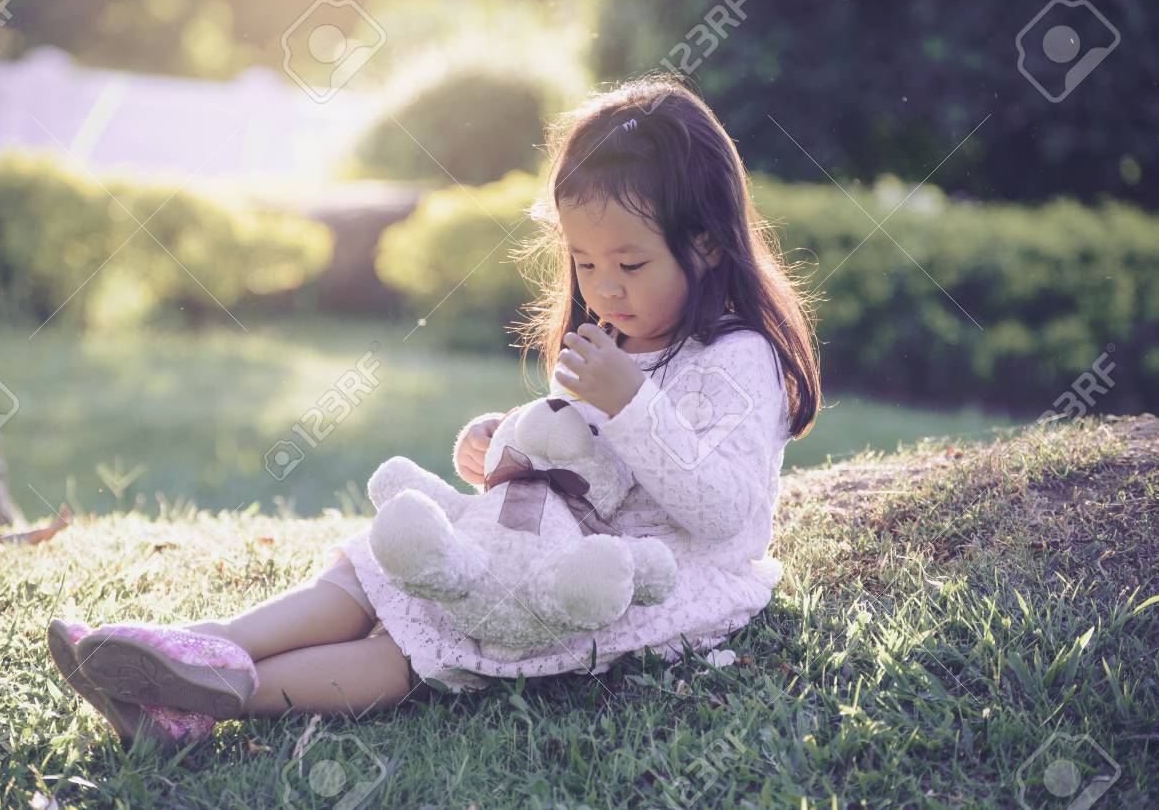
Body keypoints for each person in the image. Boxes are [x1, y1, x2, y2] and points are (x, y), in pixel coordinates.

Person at [47, 72, 821, 751]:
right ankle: (196, 647)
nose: (603, 288)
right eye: (584, 263)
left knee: (413, 646)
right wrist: (509, 447)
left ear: (710, 245)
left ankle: (211, 697)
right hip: (546, 537)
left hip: (641, 579)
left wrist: (629, 400)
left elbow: (725, 512)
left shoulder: (736, 359)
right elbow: (579, 446)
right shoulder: (620, 333)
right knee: (376, 567)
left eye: (629, 264)